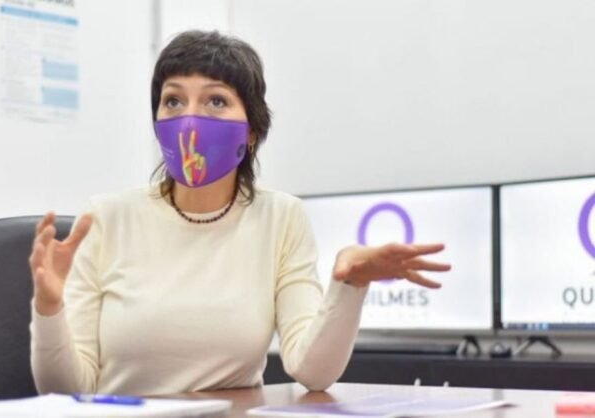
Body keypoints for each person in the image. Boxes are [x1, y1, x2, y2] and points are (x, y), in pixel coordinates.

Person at [28, 30, 450, 397]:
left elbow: (313, 372)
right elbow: (66, 392)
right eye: (173, 100)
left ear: (251, 131)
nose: (190, 120)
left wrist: (350, 282)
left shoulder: (281, 217)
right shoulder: (106, 218)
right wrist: (49, 307)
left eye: (216, 100)